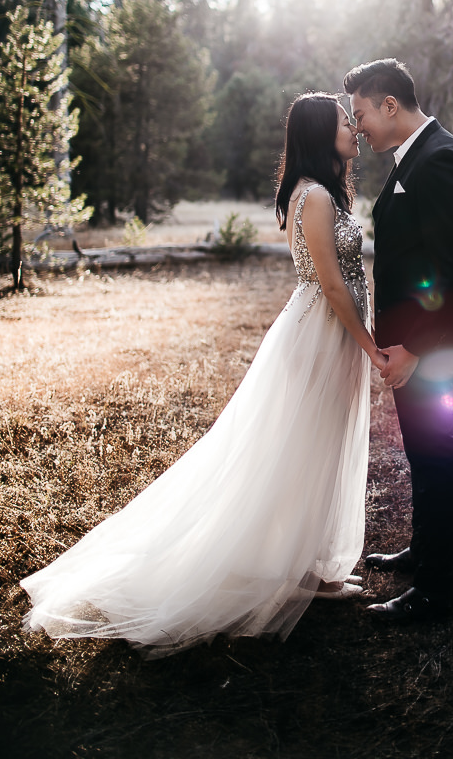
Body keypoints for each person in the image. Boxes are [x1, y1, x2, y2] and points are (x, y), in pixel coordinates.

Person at [20, 93, 387, 656]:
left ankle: (314, 568)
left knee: (321, 446)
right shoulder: (312, 196)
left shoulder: (326, 192)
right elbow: (333, 285)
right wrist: (369, 347)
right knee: (301, 449)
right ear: (320, 134)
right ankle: (292, 570)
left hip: (332, 334)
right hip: (320, 333)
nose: (354, 128)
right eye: (344, 122)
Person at [344, 58, 453, 623]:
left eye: (360, 114)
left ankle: (434, 591)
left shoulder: (440, 160)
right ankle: (424, 551)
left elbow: (452, 269)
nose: (358, 129)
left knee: (434, 456)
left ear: (390, 106)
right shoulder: (412, 157)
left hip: (428, 344)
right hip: (409, 344)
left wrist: (416, 348)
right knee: (423, 455)